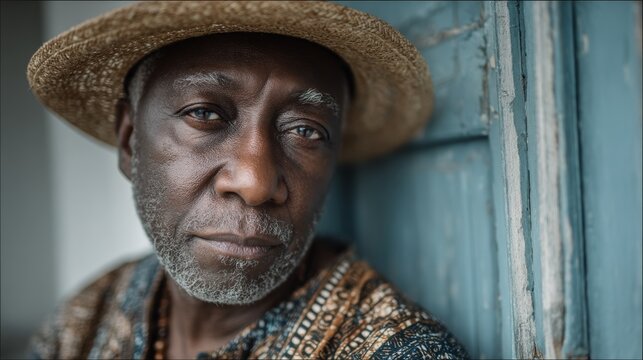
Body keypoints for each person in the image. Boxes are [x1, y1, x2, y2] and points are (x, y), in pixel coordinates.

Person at [27, 2, 467, 359]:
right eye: (205, 114)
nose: (255, 182)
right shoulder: (84, 320)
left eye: (306, 131)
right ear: (129, 143)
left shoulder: (401, 351)